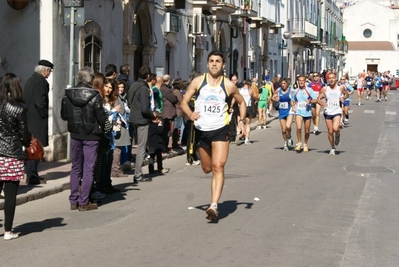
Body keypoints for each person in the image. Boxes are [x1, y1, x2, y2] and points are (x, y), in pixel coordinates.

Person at [180, 51, 247, 221]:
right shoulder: (198, 82)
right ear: (207, 64)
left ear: (223, 65)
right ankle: (212, 203)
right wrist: (190, 114)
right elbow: (184, 102)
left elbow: (242, 102)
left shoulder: (228, 85)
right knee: (207, 168)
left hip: (220, 129)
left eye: (218, 61)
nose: (214, 64)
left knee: (218, 166)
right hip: (202, 131)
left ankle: (213, 205)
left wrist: (242, 121)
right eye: (211, 61)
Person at [61, 67, 109, 211]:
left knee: (75, 167)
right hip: (91, 135)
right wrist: (107, 129)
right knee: (88, 168)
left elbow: (64, 116)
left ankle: (73, 200)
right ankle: (84, 201)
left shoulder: (67, 95)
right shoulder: (95, 95)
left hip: (75, 134)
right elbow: (101, 117)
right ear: (90, 79)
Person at [0, 73, 31, 240]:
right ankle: (8, 230)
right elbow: (24, 133)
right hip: (11, 154)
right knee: (10, 194)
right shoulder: (19, 108)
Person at [23, 59, 53, 185]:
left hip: (30, 119)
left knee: (33, 148)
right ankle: (32, 175)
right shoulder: (40, 82)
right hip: (36, 121)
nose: (49, 73)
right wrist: (44, 115)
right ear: (45, 70)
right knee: (35, 148)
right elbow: (41, 103)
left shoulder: (32, 79)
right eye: (49, 71)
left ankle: (33, 174)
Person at [127, 66, 155, 183]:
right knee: (141, 148)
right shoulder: (144, 88)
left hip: (133, 118)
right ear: (148, 76)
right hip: (142, 120)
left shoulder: (133, 85)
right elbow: (145, 108)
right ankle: (138, 174)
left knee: (138, 146)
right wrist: (152, 115)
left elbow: (129, 102)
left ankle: (138, 173)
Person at [317, 72, 349, 156]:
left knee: (335, 128)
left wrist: (343, 97)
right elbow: (318, 99)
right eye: (330, 78)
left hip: (337, 111)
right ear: (328, 80)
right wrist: (322, 103)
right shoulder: (325, 88)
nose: (331, 79)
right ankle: (332, 147)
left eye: (333, 78)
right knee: (330, 132)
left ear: (336, 79)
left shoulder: (340, 88)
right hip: (328, 112)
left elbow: (346, 94)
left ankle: (337, 135)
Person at [291, 75, 318, 153]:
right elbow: (292, 100)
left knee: (307, 131)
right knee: (299, 128)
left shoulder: (309, 90)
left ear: (305, 81)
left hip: (307, 112)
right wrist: (293, 106)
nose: (301, 82)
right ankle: (299, 143)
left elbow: (315, 100)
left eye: (303, 80)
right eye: (300, 80)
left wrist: (310, 101)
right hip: (298, 111)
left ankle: (305, 143)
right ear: (298, 81)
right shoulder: (295, 91)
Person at [272, 78, 294, 151]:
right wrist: (275, 99)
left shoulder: (291, 90)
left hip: (289, 110)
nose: (283, 85)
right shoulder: (278, 90)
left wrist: (294, 106)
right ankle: (285, 142)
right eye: (282, 83)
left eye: (284, 83)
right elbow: (272, 98)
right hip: (281, 111)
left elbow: (293, 99)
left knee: (288, 126)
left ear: (287, 84)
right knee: (283, 130)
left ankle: (289, 136)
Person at [160, 74, 178, 152]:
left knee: (166, 131)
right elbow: (174, 99)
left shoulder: (164, 88)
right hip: (167, 112)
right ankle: (164, 147)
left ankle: (165, 146)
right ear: (168, 80)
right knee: (166, 131)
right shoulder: (166, 90)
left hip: (167, 111)